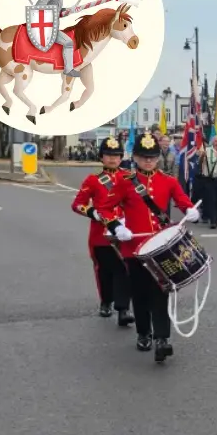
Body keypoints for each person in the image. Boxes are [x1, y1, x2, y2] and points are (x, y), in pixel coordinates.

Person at [107, 134, 200, 361]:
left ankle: (162, 338)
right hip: (134, 247)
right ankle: (143, 333)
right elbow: (104, 208)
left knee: (160, 292)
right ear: (135, 158)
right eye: (144, 157)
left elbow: (182, 201)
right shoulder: (125, 182)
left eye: (152, 157)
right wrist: (116, 226)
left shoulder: (168, 181)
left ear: (158, 158)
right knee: (139, 293)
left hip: (161, 248)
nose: (148, 161)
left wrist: (191, 210)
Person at [70, 135, 132, 326]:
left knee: (124, 269)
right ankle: (106, 300)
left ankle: (123, 309)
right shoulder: (93, 180)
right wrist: (93, 212)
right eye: (108, 155)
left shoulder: (129, 177)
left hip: (124, 233)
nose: (112, 159)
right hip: (101, 234)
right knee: (105, 271)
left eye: (116, 155)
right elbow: (77, 204)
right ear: (101, 157)